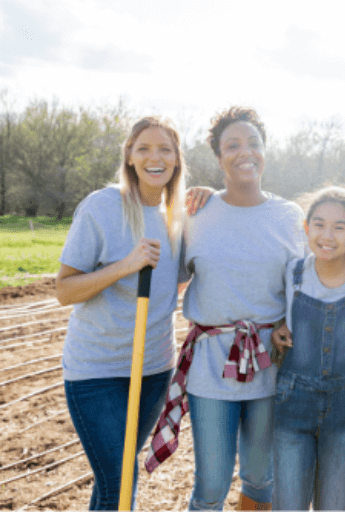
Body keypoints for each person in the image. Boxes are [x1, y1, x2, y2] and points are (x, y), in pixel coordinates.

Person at [145, 107, 305, 511]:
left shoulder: (289, 216)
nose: (244, 152)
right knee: (212, 482)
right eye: (232, 145)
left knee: (259, 474)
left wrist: (290, 322)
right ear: (218, 158)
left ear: (265, 151)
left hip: (271, 359)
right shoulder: (196, 214)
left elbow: (306, 285)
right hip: (211, 362)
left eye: (253, 143)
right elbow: (169, 280)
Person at [57, 116, 193, 510]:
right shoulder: (102, 207)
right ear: (130, 158)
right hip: (95, 371)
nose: (155, 157)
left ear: (177, 160)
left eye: (165, 149)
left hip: (152, 369)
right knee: (120, 478)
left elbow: (178, 281)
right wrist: (124, 266)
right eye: (144, 148)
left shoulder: (179, 218)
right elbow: (64, 290)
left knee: (115, 478)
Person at [268, 186, 345, 510]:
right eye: (318, 224)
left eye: (340, 227)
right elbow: (274, 312)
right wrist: (278, 330)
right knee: (288, 502)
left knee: (333, 503)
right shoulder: (294, 272)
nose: (327, 235)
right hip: (293, 400)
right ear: (306, 228)